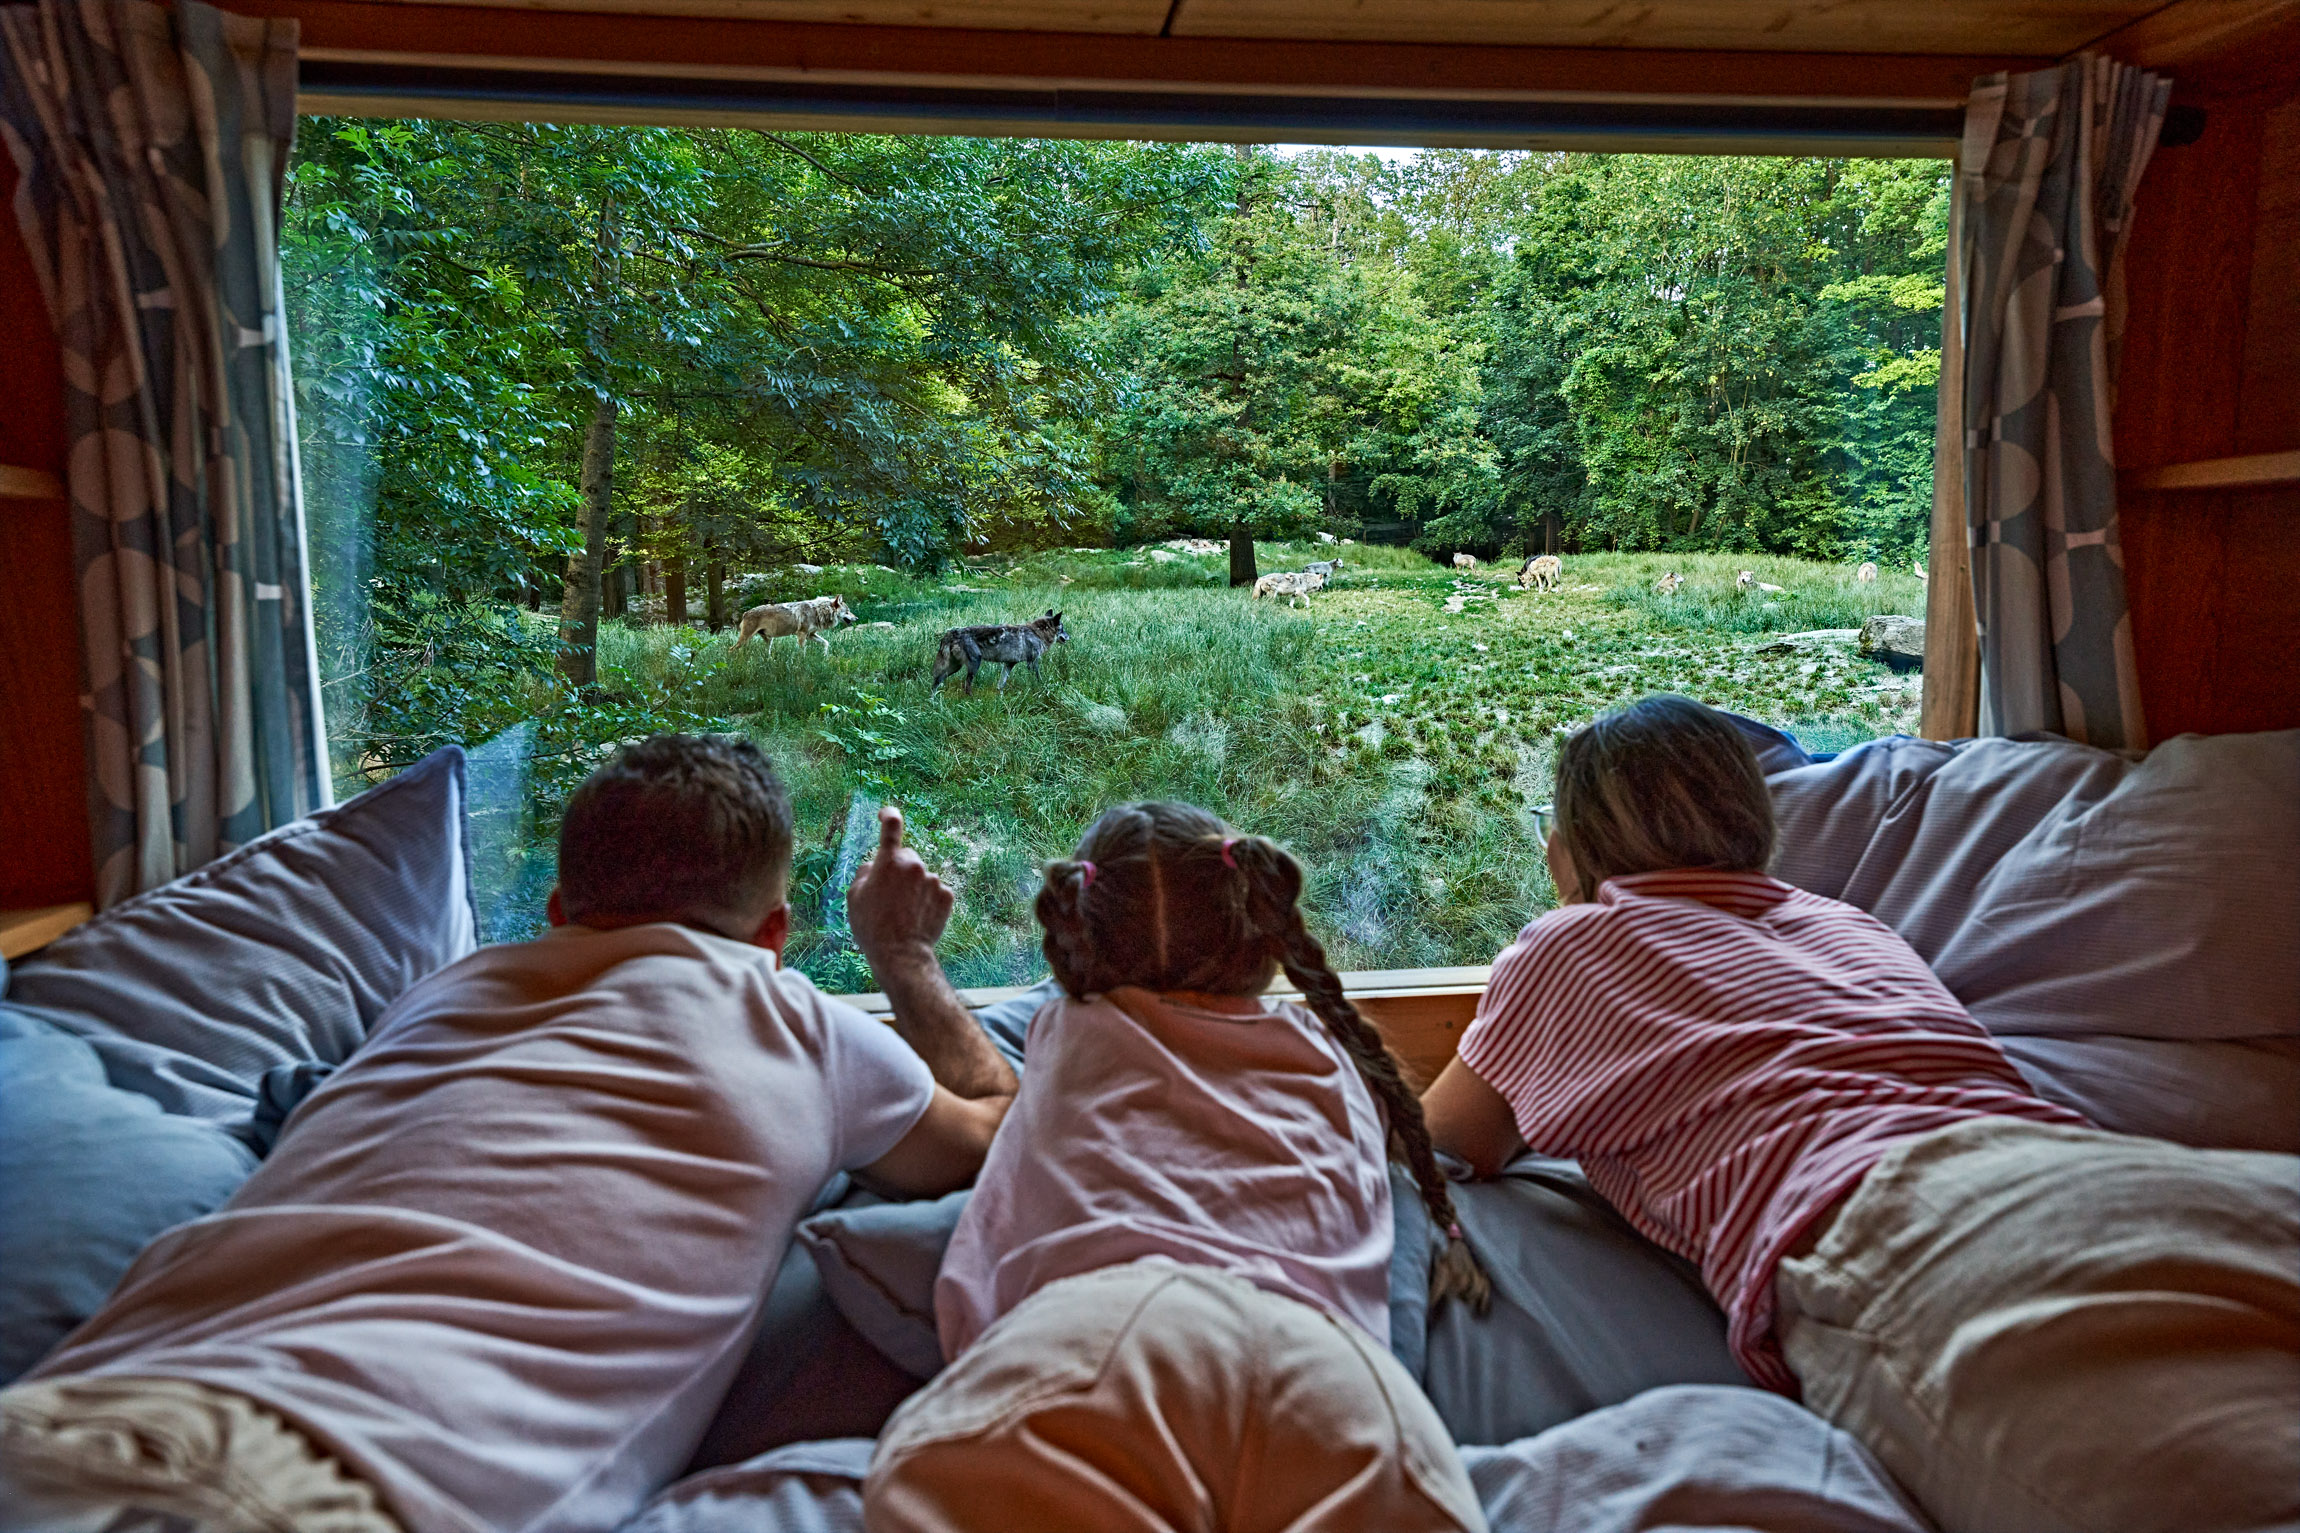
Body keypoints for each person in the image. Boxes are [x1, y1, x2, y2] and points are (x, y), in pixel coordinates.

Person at [0, 735, 1018, 1533]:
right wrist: (903, 959)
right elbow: (994, 1132)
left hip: (64, 1406)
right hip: (348, 1479)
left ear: (561, 910)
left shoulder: (432, 998)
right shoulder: (795, 1020)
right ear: (773, 937)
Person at [1420, 695, 2300, 1533]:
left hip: (1921, 1242)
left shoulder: (1568, 942)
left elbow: (1452, 1142)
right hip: (2147, 1171)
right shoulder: (1852, 925)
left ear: (1568, 850)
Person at [864, 801, 1490, 1533]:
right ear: (1258, 922)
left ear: (1078, 939)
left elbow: (990, 1103)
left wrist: (901, 952)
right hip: (1323, 1373)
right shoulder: (1334, 1051)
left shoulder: (1065, 1030)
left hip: (1093, 1339)